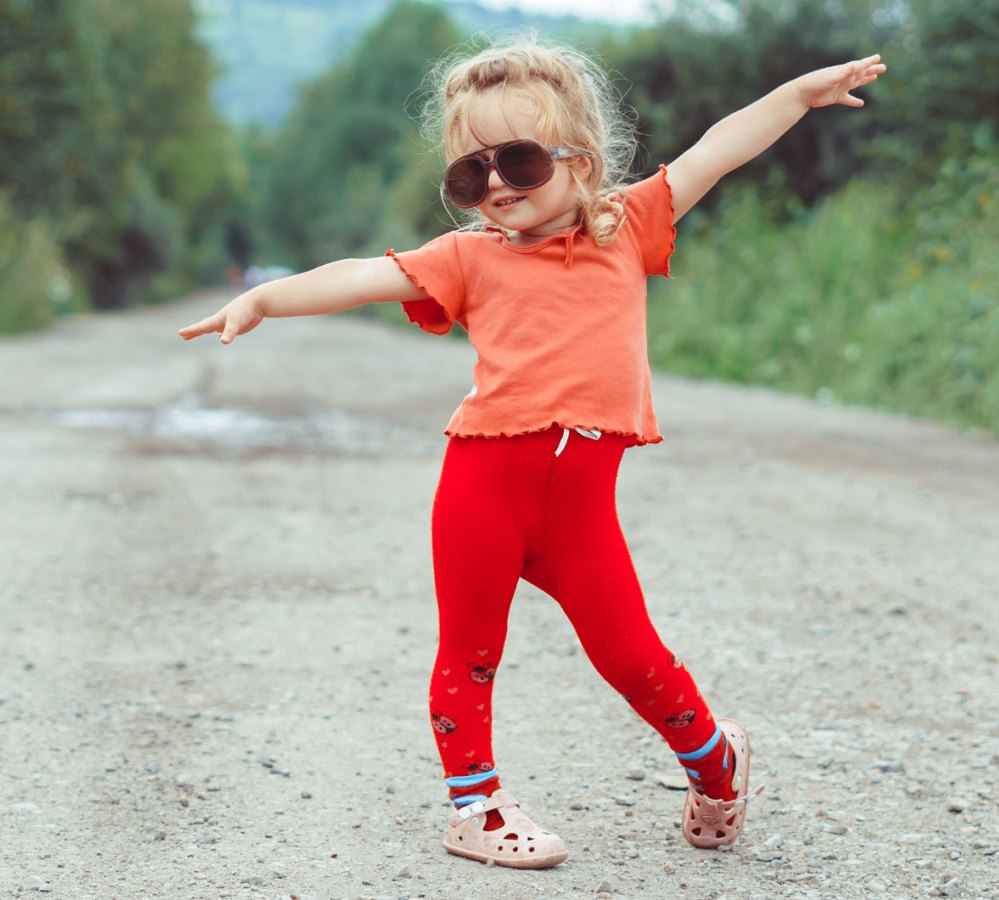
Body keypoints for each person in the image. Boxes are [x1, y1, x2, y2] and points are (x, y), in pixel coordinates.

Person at [179, 38, 885, 869]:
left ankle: (716, 762)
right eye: (470, 174)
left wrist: (799, 94)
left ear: (580, 162)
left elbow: (718, 150)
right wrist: (264, 297)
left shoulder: (631, 224)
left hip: (580, 504)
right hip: (482, 484)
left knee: (634, 657)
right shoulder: (467, 257)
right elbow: (363, 274)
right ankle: (472, 807)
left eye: (517, 160)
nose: (497, 186)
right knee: (469, 652)